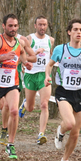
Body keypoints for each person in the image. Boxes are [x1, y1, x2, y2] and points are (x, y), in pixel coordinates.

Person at [44, 18, 81, 161]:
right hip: (63, 91)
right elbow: (49, 65)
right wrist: (47, 76)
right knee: (69, 123)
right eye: (75, 29)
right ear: (69, 32)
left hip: (80, 93)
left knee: (75, 132)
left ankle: (65, 160)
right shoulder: (60, 49)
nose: (79, 32)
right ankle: (60, 133)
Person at [0, 13, 36, 159]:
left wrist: (25, 63)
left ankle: (10, 145)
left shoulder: (19, 42)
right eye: (10, 25)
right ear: (4, 26)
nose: (13, 28)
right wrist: (2, 57)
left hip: (12, 84)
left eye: (15, 26)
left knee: (14, 111)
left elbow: (21, 54)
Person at [18, 15, 55, 145]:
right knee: (30, 108)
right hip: (30, 74)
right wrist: (34, 53)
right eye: (40, 24)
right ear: (35, 25)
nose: (42, 27)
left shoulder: (51, 40)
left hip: (44, 75)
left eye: (44, 24)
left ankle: (41, 134)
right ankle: (25, 104)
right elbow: (23, 56)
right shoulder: (29, 39)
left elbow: (51, 58)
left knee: (44, 104)